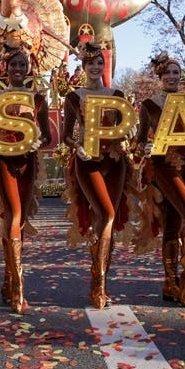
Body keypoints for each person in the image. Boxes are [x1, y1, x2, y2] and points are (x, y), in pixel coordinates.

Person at [0, 42, 52, 314]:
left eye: (22, 64)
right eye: (13, 65)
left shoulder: (38, 98)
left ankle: (9, 280)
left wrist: (38, 143)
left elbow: (48, 135)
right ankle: (19, 288)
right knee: (14, 213)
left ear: (29, 67)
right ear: (5, 68)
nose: (18, 69)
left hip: (27, 161)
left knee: (18, 221)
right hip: (2, 160)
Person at [61, 41, 134, 309]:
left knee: (108, 220)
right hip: (87, 160)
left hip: (115, 162)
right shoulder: (73, 97)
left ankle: (100, 282)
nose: (95, 67)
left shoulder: (118, 94)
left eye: (99, 63)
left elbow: (126, 129)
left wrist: (130, 135)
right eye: (90, 63)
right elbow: (67, 133)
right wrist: (76, 147)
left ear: (105, 66)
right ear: (83, 66)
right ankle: (98, 283)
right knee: (107, 214)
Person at [135, 53, 185, 308]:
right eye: (168, 74)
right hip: (162, 167)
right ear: (160, 77)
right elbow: (139, 141)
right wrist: (146, 147)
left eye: (176, 73)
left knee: (174, 223)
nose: (173, 77)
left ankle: (169, 282)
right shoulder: (150, 105)